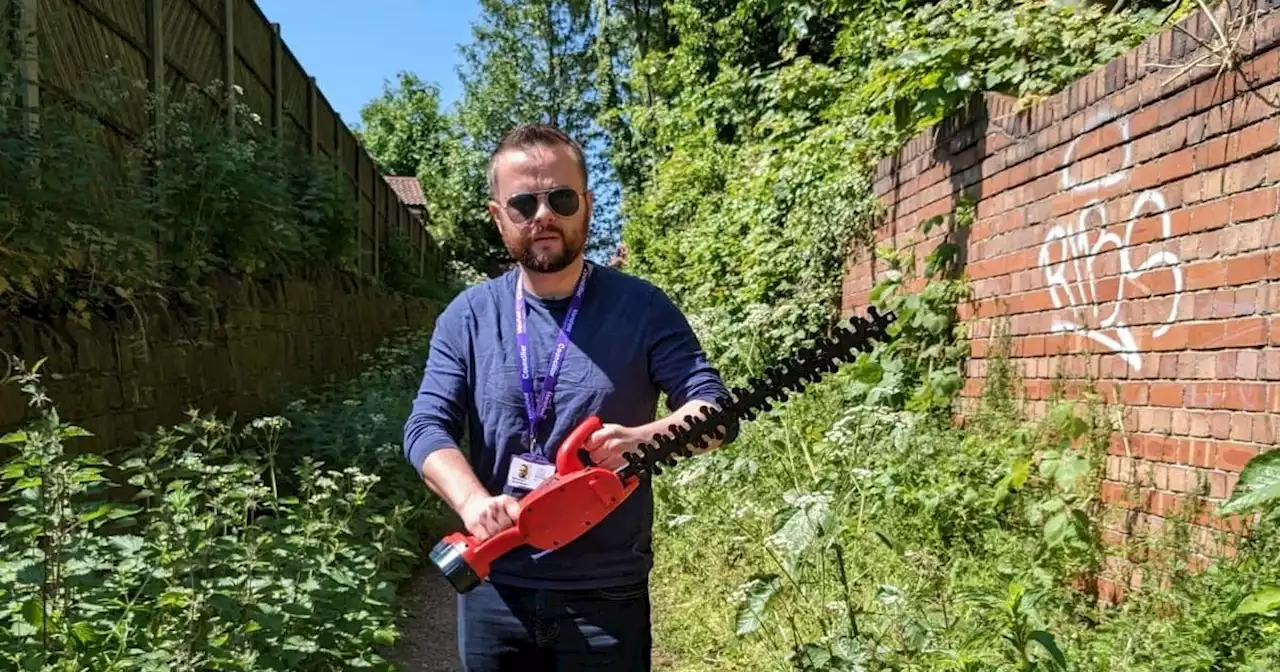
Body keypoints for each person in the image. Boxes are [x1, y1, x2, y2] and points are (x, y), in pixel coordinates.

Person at [403, 123, 737, 670]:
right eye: (523, 203)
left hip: (607, 595)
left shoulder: (644, 308)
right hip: (496, 583)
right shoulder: (468, 316)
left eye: (560, 198)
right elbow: (425, 428)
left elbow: (716, 412)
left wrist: (648, 439)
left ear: (586, 204)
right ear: (498, 216)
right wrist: (472, 503)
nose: (543, 216)